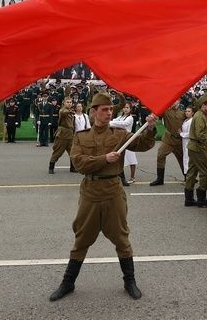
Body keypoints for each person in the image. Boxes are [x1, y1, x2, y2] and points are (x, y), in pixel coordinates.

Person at [49, 92, 157, 302]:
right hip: (90, 192)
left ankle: (130, 281)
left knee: (121, 237)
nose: (109, 113)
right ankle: (68, 282)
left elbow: (143, 144)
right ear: (94, 112)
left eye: (110, 109)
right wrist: (104, 159)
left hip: (113, 191)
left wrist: (151, 127)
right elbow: (79, 163)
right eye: (104, 109)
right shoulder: (81, 137)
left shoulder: (119, 134)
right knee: (82, 238)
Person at [184, 94, 207, 208]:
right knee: (205, 173)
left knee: (192, 172)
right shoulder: (200, 116)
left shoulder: (199, 115)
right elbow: (200, 135)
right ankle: (201, 198)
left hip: (193, 146)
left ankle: (189, 199)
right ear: (204, 105)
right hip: (197, 147)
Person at [152, 100, 185, 186]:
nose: (174, 102)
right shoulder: (166, 111)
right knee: (160, 155)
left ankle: (187, 177)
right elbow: (158, 111)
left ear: (179, 101)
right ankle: (160, 179)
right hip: (168, 139)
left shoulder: (184, 112)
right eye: (173, 101)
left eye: (176, 100)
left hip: (179, 140)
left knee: (182, 159)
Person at [111, 102, 138, 183]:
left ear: (130, 109)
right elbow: (115, 120)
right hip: (121, 140)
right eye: (124, 107)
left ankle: (132, 177)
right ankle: (120, 176)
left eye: (127, 108)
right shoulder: (121, 116)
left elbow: (123, 124)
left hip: (129, 139)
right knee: (120, 158)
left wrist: (111, 123)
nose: (125, 109)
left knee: (131, 159)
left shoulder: (130, 118)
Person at [48, 97, 75, 175]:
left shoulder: (70, 111)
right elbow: (63, 112)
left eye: (70, 102)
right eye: (67, 102)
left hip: (70, 134)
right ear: (64, 103)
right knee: (58, 151)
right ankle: (51, 167)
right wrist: (70, 111)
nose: (69, 103)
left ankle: (73, 167)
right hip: (62, 134)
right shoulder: (62, 110)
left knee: (72, 152)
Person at [179, 106, 194, 176]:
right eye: (186, 111)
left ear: (192, 113)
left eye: (189, 111)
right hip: (184, 141)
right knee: (185, 156)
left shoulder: (191, 121)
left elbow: (190, 133)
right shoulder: (185, 120)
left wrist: (181, 133)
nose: (187, 113)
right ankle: (187, 173)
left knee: (187, 157)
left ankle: (189, 174)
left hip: (188, 141)